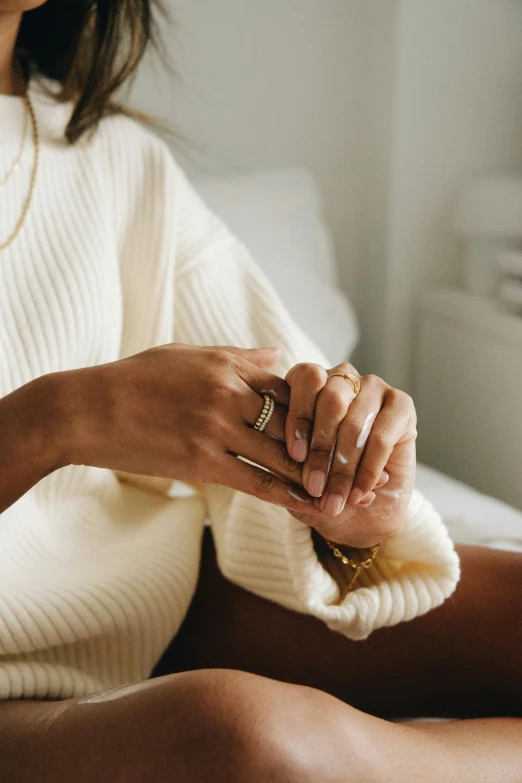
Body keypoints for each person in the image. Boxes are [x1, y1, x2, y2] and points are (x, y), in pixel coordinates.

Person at [0, 2, 520, 781]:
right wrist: (58, 419)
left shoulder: (114, 156)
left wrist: (351, 500)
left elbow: (279, 414)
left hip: (164, 613)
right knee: (245, 741)